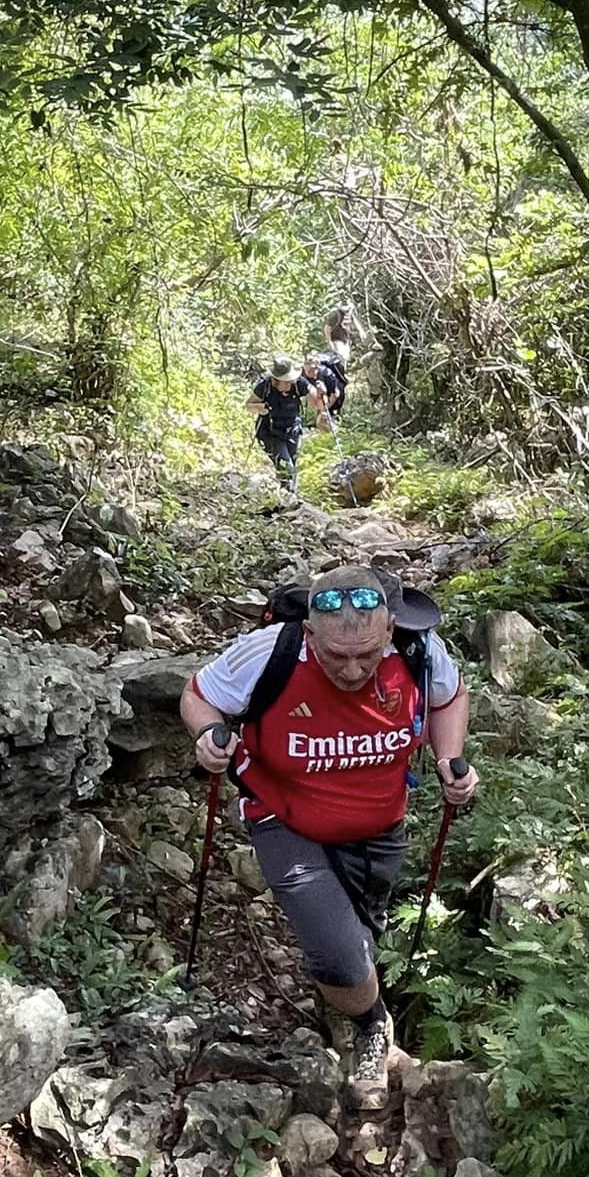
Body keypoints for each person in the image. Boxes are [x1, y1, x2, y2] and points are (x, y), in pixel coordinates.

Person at [180, 564, 478, 1110]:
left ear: (389, 630)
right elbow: (199, 694)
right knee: (339, 951)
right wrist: (207, 734)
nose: (352, 668)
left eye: (366, 654)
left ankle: (342, 1000)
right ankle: (371, 1025)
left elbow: (449, 698)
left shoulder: (419, 651)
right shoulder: (269, 651)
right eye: (335, 656)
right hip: (283, 816)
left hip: (381, 824)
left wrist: (449, 757)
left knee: (364, 929)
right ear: (311, 635)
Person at [246, 355, 324, 483]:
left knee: (291, 468)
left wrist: (321, 393)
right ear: (276, 380)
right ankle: (289, 498)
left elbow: (317, 403)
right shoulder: (264, 386)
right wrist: (260, 408)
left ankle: (288, 499)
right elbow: (249, 405)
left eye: (291, 379)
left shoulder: (299, 383)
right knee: (287, 470)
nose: (290, 383)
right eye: (286, 381)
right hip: (270, 433)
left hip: (293, 431)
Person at [303, 351, 346, 417]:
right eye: (306, 370)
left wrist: (327, 407)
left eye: (311, 370)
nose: (308, 373)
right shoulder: (304, 375)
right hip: (319, 398)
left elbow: (336, 394)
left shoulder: (327, 375)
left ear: (316, 368)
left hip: (332, 397)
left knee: (330, 414)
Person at [325, 301, 358, 367]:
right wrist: (330, 341)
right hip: (336, 340)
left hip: (345, 340)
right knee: (340, 358)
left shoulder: (349, 314)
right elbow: (327, 328)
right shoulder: (335, 314)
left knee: (345, 358)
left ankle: (341, 372)